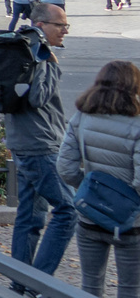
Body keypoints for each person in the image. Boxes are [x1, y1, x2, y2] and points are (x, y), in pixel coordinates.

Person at [58, 60, 140, 298]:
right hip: (130, 222)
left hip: (89, 214)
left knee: (90, 286)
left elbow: (65, 167)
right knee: (129, 289)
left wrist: (87, 188)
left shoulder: (82, 116)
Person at [7, 1, 75, 283]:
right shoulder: (40, 53)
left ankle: (19, 283)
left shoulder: (18, 47)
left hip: (21, 141)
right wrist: (52, 65)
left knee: (29, 217)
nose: (65, 31)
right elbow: (37, 98)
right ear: (40, 25)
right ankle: (39, 281)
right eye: (60, 26)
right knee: (67, 211)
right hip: (41, 145)